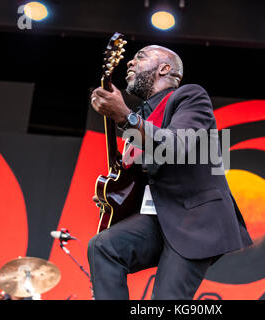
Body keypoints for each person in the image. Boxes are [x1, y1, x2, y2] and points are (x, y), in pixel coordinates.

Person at [88, 45, 252, 300]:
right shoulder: (143, 116)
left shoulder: (190, 97)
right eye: (130, 59)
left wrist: (124, 117)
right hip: (160, 215)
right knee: (104, 246)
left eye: (140, 57)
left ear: (165, 68)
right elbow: (141, 175)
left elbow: (174, 145)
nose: (130, 63)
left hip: (196, 219)